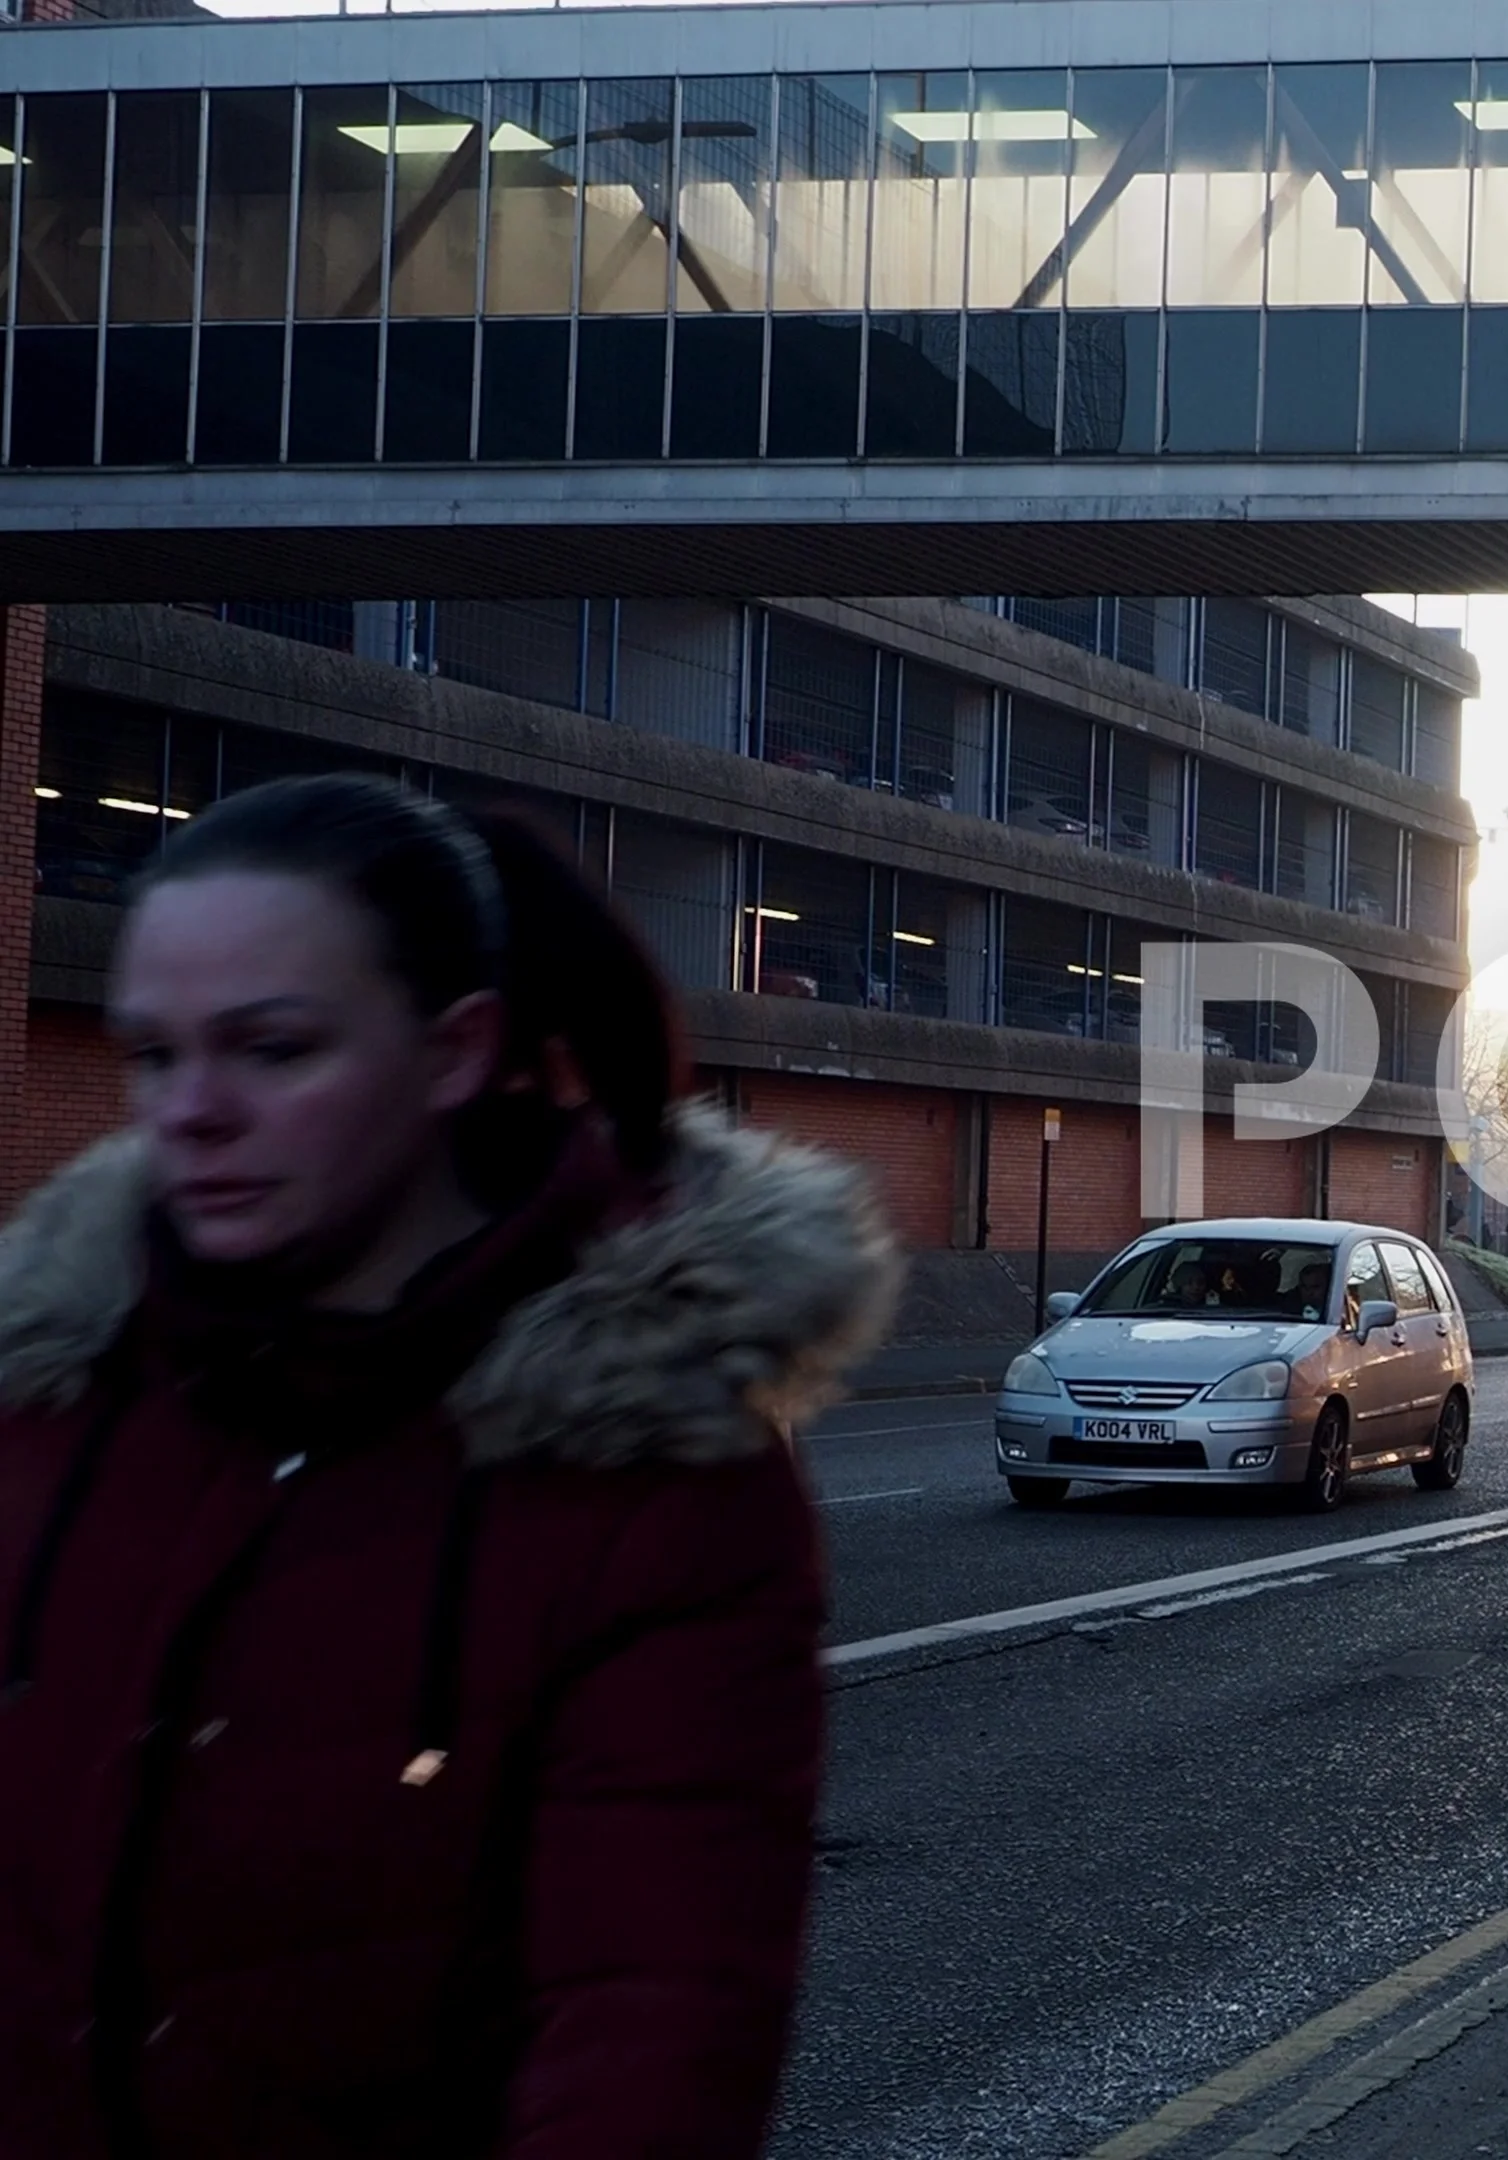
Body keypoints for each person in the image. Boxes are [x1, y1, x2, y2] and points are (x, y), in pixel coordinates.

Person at [0, 776, 900, 2159]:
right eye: (152, 1056)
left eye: (274, 1048)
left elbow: (650, 2028)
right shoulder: (51, 1387)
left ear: (454, 1051)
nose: (192, 1111)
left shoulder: (654, 1476)